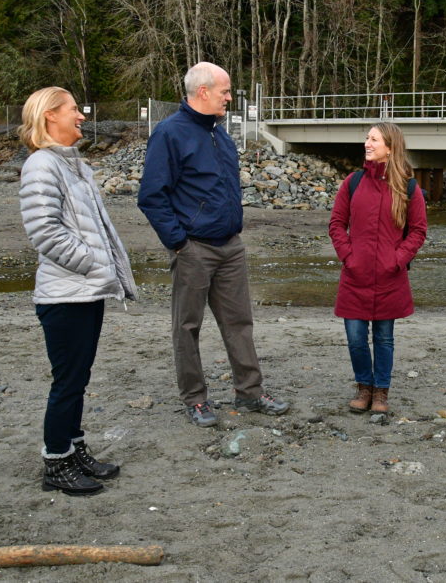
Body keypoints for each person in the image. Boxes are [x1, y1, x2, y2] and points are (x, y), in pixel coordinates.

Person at [138, 62, 290, 427]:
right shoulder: (170, 133)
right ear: (202, 91)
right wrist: (179, 243)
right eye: (224, 91)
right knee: (187, 327)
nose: (229, 97)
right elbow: (151, 196)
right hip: (194, 248)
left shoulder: (220, 134)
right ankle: (195, 400)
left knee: (240, 322)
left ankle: (250, 393)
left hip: (230, 246)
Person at [18, 87, 138, 495]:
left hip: (85, 292)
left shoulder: (75, 166)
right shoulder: (41, 166)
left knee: (78, 378)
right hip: (63, 296)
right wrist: (96, 264)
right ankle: (56, 462)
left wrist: (103, 272)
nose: (82, 116)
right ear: (50, 115)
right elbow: (44, 233)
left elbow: (95, 229)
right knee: (67, 382)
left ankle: (73, 449)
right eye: (74, 110)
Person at [329, 122, 427, 414]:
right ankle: (364, 387)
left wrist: (396, 260)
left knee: (384, 338)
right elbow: (336, 223)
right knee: (356, 338)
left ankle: (381, 393)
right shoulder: (353, 182)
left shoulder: (408, 186)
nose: (367, 144)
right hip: (354, 275)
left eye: (373, 139)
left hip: (390, 277)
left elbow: (418, 231)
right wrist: (348, 255)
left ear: (390, 147)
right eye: (366, 138)